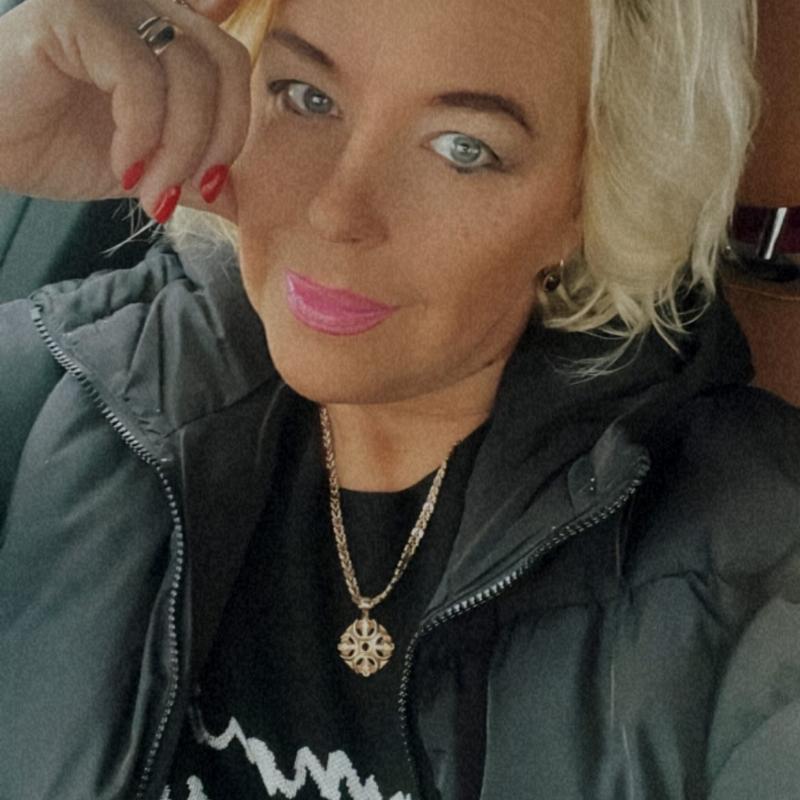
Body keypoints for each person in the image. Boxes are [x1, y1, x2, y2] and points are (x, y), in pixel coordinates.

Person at [0, 0, 799, 798]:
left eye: (463, 148)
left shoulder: (749, 566)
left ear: (591, 198)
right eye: (307, 98)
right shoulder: (75, 387)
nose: (337, 210)